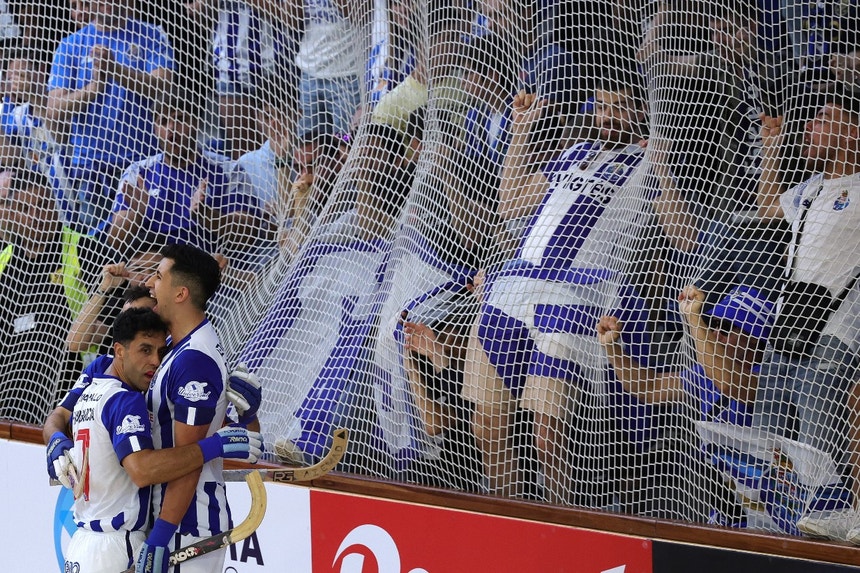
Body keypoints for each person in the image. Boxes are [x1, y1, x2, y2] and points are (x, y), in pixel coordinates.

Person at [461, 74, 699, 505]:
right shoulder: (573, 153)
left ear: (643, 112)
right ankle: (503, 523)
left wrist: (661, 162)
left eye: (618, 107)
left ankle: (559, 526)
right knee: (486, 425)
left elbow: (684, 237)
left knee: (548, 437)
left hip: (577, 298)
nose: (607, 117)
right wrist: (520, 130)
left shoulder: (646, 165)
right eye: (602, 105)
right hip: (515, 287)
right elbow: (511, 202)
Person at [62, 307, 262, 573]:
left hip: (83, 544)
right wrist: (215, 445)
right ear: (119, 351)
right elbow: (142, 470)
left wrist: (245, 417)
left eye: (160, 352)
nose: (155, 361)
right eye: (145, 350)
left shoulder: (91, 392)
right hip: (116, 546)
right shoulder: (124, 400)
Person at [752, 89, 860, 543]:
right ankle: (797, 508)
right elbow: (764, 209)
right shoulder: (810, 189)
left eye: (823, 117)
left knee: (820, 413)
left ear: (853, 128)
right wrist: (771, 151)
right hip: (793, 314)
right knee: (769, 425)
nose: (810, 127)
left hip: (841, 318)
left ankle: (842, 510)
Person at [597, 284, 774, 525]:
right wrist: (612, 349)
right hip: (726, 511)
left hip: (769, 516)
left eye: (726, 328)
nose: (714, 333)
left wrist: (693, 318)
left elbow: (727, 382)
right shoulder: (705, 374)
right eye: (712, 325)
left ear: (756, 336)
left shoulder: (770, 376)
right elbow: (648, 387)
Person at [136, 243, 233, 573]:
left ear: (180, 294)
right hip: (177, 521)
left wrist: (160, 536)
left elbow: (189, 458)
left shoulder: (194, 361)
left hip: (188, 528)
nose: (151, 283)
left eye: (159, 276)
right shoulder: (183, 349)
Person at [0, 168, 116, 425]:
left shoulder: (85, 249)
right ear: (12, 214)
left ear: (55, 203)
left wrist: (100, 331)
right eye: (25, 210)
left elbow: (122, 320)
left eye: (42, 205)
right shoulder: (5, 261)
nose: (36, 217)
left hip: (75, 394)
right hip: (11, 401)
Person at [46, 0, 174, 232]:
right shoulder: (70, 45)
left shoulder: (151, 33)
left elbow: (164, 86)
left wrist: (116, 70)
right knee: (97, 245)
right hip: (91, 165)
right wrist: (93, 89)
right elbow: (54, 107)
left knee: (150, 239)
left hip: (143, 162)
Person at [107, 88, 272, 259]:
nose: (171, 128)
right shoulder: (137, 173)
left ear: (196, 123)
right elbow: (115, 241)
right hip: (156, 275)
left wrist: (208, 216)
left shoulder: (228, 169)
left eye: (179, 119)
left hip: (212, 269)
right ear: (155, 129)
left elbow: (250, 232)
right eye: (163, 122)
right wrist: (137, 214)